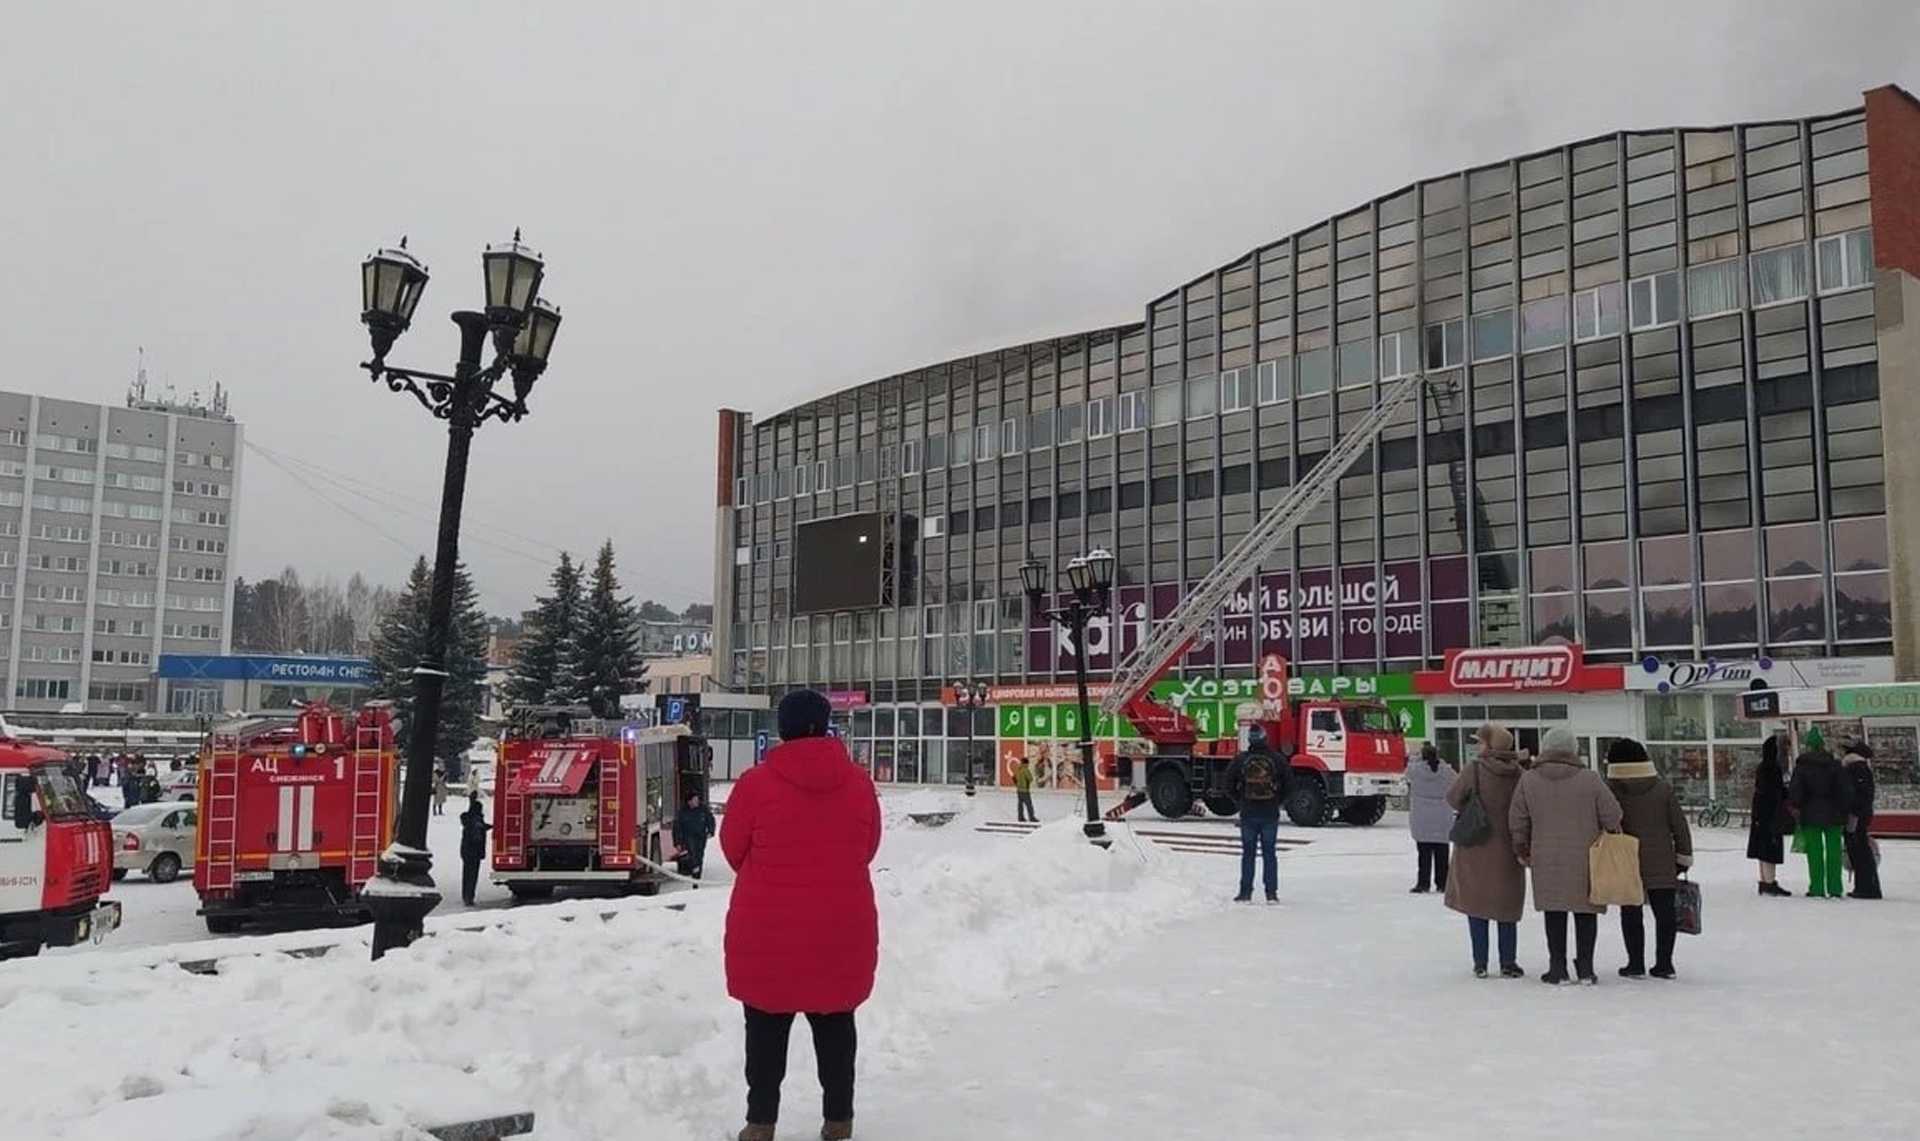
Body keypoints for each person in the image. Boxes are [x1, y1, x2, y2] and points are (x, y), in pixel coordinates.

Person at [722, 689, 880, 1141]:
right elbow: (867, 850)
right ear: (826, 725)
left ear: (784, 729)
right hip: (840, 929)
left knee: (766, 1032)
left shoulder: (755, 784)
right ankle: (838, 1120)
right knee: (836, 1029)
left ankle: (760, 1123)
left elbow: (734, 850)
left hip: (767, 932)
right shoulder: (859, 784)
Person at [1511, 727, 1623, 985]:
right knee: (1585, 911)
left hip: (1544, 856)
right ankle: (1585, 968)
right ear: (1574, 749)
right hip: (1586, 857)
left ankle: (1557, 967)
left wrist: (1521, 846)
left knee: (1554, 910)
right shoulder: (1591, 779)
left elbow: (1517, 818)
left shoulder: (1529, 779)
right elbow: (1613, 816)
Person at [1605, 739, 1693, 979]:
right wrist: (1683, 857)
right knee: (1664, 913)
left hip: (1626, 859)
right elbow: (1679, 826)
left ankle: (1635, 963)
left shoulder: (1611, 790)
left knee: (1631, 913)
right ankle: (1664, 964)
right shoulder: (1662, 788)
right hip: (1662, 860)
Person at [1445, 724, 1527, 978]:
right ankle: (1508, 962)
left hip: (1476, 845)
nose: (1478, 746)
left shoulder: (1475, 770)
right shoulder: (1520, 773)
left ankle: (1480, 962)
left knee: (1477, 904)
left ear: (1489, 746)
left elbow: (1453, 797)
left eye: (1481, 742)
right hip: (1508, 848)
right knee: (1507, 907)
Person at [1223, 724, 1284, 903]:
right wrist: (1278, 801)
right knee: (1269, 853)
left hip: (1248, 813)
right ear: (1266, 738)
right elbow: (1290, 783)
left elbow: (1228, 784)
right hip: (1270, 813)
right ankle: (1271, 893)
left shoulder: (1241, 759)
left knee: (1248, 853)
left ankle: (1245, 892)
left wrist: (1241, 801)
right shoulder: (1276, 759)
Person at [1789, 727, 1850, 900]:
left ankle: (1817, 887)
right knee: (1834, 852)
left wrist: (1796, 806)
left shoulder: (1802, 767)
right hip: (1834, 814)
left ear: (1808, 746)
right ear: (1822, 746)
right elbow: (1845, 790)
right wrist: (1843, 808)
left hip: (1810, 814)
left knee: (1814, 852)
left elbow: (1795, 792)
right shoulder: (1835, 765)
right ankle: (1835, 888)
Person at [1748, 731, 1794, 897]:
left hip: (1761, 815)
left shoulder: (1763, 767)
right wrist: (1786, 792)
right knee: (1770, 849)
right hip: (1771, 815)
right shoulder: (1773, 768)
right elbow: (1776, 792)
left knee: (1762, 849)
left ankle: (1764, 881)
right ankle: (1769, 882)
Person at [1406, 743, 1455, 893]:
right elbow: (1456, 781)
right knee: (1442, 853)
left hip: (1422, 817)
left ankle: (1423, 883)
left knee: (1424, 854)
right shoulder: (1447, 771)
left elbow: (1406, 773)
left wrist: (1416, 759)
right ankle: (1443, 883)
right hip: (1442, 816)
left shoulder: (1415, 770)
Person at [1842, 741, 1882, 900]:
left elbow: (1855, 794)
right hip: (1861, 814)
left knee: (1859, 850)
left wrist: (1852, 812)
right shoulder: (1862, 768)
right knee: (1860, 849)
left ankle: (1866, 888)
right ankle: (1866, 886)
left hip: (1856, 815)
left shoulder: (1855, 769)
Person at [673, 790, 717, 880]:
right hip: (688, 837)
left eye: (697, 799)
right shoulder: (682, 812)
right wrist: (677, 842)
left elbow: (711, 820)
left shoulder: (703, 809)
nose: (696, 801)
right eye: (694, 800)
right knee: (692, 855)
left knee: (699, 855)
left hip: (701, 836)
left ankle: (697, 875)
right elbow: (676, 828)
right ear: (689, 801)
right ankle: (694, 873)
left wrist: (710, 831)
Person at [458, 797, 491, 907]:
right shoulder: (477, 820)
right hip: (474, 853)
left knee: (466, 875)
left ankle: (465, 895)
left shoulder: (469, 819)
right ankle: (469, 897)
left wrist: (486, 827)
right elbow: (477, 836)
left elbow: (478, 827)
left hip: (466, 852)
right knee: (472, 876)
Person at [1013, 756, 1038, 823]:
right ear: (1026, 763)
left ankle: (1020, 817)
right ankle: (1031, 817)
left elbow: (1014, 778)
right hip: (1025, 790)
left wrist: (1017, 784)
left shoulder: (1018, 769)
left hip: (1019, 790)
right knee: (1029, 804)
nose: (1028, 765)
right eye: (1028, 763)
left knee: (1020, 804)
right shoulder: (1025, 770)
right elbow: (1030, 778)